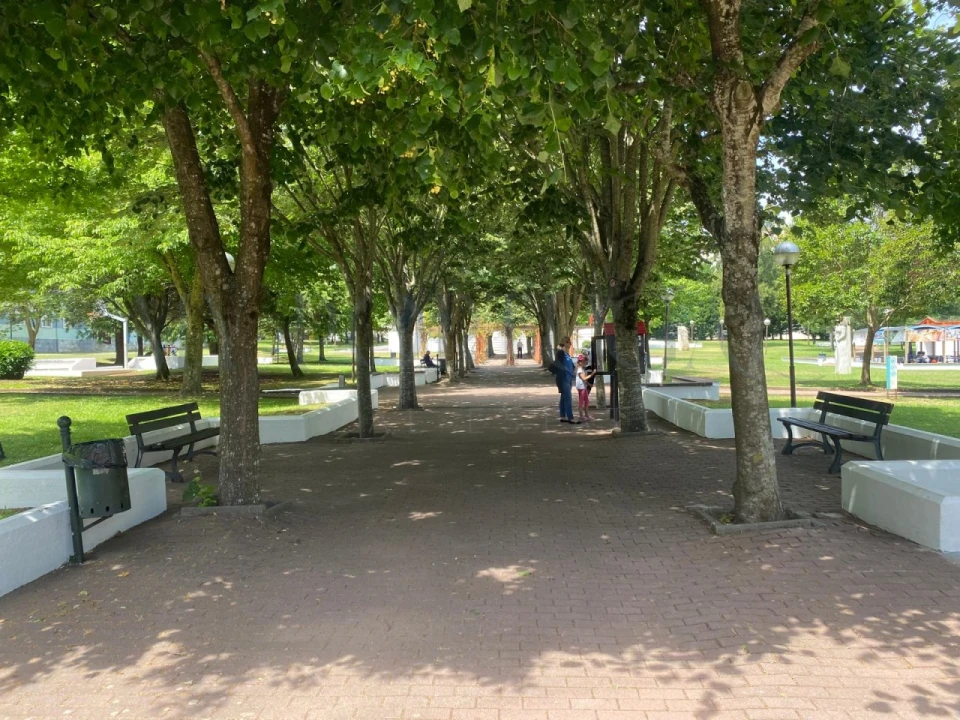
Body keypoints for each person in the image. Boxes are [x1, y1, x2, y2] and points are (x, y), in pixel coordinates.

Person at [554, 337, 578, 424]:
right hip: (563, 378)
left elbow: (571, 365)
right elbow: (557, 364)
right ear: (565, 343)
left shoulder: (567, 354)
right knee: (568, 398)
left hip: (569, 378)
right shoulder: (561, 353)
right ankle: (570, 418)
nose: (570, 344)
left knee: (564, 397)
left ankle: (563, 416)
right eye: (569, 342)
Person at [575, 354, 597, 421]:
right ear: (580, 362)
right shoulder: (579, 370)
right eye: (583, 361)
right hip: (581, 388)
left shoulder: (582, 369)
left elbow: (583, 380)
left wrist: (589, 384)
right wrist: (592, 374)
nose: (585, 362)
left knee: (586, 401)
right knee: (581, 402)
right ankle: (581, 416)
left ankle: (586, 415)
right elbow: (584, 378)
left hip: (583, 387)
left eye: (585, 361)